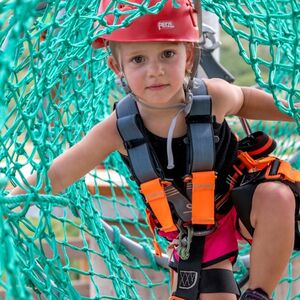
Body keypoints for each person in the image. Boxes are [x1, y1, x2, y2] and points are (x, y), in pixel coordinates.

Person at [11, 0, 300, 299]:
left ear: (188, 56)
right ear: (116, 67)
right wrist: (11, 201)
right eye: (138, 59)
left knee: (277, 194)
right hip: (195, 228)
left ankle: (259, 293)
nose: (156, 71)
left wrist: (294, 110)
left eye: (167, 54)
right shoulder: (116, 129)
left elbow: (246, 99)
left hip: (240, 199)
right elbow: (59, 172)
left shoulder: (211, 96)